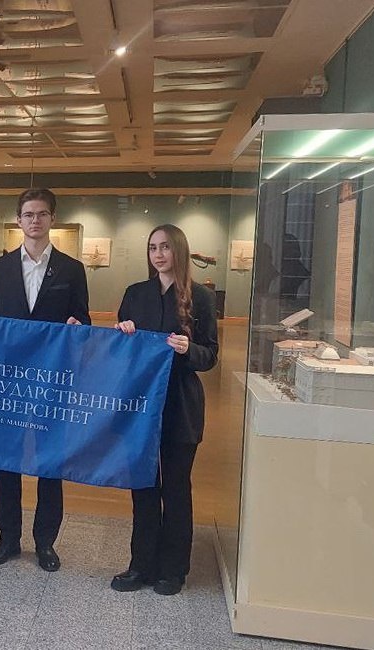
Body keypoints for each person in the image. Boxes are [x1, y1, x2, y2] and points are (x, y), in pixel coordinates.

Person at [0, 188, 90, 572]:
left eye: (42, 214)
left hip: (52, 380)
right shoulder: (0, 267)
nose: (35, 220)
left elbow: (83, 319)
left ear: (52, 219)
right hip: (9, 380)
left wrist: (77, 326)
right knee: (6, 459)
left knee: (49, 461)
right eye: (28, 214)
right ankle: (8, 538)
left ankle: (46, 542)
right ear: (19, 220)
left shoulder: (72, 269)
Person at [110, 224, 218, 596]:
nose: (158, 254)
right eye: (153, 248)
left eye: (165, 247)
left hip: (180, 406)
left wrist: (189, 349)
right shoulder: (135, 294)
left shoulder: (201, 297)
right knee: (143, 487)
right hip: (141, 406)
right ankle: (141, 564)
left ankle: (173, 569)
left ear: (179, 251)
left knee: (175, 489)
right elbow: (120, 354)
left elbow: (210, 355)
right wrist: (122, 333)